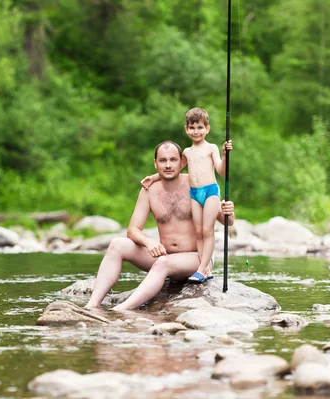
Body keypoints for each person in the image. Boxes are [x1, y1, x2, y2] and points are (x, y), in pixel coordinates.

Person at [84, 140, 234, 311]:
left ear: (182, 162)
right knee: (117, 244)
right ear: (155, 164)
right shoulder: (149, 189)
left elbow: (226, 221)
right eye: (163, 160)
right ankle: (92, 305)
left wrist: (228, 212)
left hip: (196, 258)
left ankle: (121, 310)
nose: (168, 165)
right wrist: (149, 242)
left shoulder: (195, 184)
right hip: (164, 255)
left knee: (163, 262)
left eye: (173, 160)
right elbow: (133, 230)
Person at [142, 108, 232, 283]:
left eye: (200, 127)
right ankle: (203, 267)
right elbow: (175, 169)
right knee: (198, 232)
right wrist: (153, 177)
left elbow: (221, 171)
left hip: (210, 191)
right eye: (192, 128)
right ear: (186, 129)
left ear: (207, 129)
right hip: (194, 192)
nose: (196, 131)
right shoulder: (186, 152)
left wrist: (224, 155)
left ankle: (202, 268)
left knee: (207, 230)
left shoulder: (211, 148)